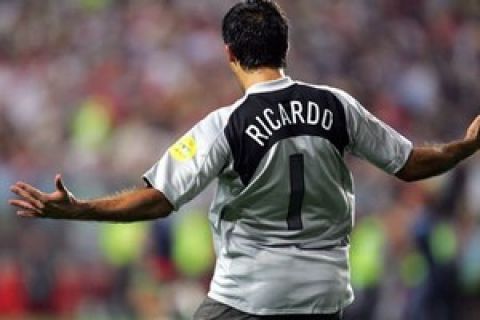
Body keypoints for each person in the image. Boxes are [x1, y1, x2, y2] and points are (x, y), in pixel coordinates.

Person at [8, 1, 480, 319]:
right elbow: (411, 163)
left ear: (230, 55)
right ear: (285, 49)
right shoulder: (337, 105)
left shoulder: (226, 124)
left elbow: (158, 200)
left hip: (252, 296)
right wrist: (465, 146)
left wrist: (80, 209)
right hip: (325, 294)